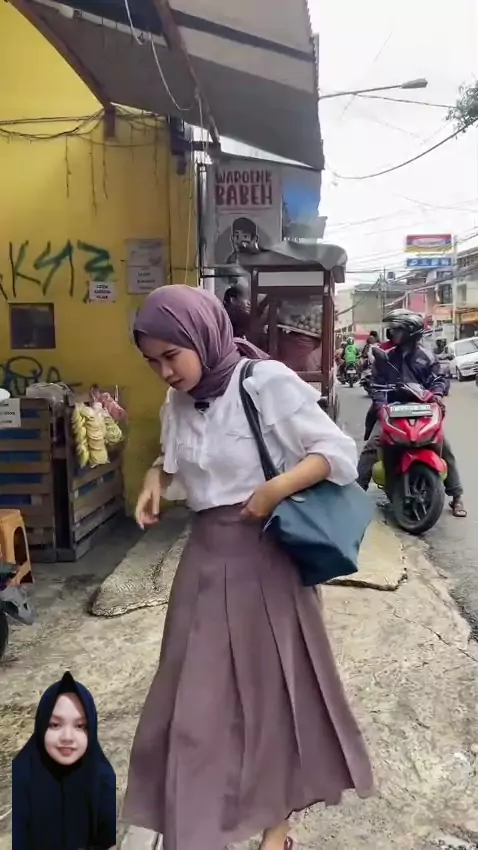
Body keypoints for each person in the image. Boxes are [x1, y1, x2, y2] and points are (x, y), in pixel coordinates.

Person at [121, 285, 374, 850]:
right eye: (152, 362)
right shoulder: (179, 402)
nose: (165, 372)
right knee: (192, 705)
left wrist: (275, 489)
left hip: (267, 559)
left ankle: (276, 830)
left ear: (202, 337)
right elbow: (175, 460)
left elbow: (336, 452)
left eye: (171, 356)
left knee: (273, 700)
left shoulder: (264, 383)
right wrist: (155, 479)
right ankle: (196, 823)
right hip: (204, 561)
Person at [357, 309, 466, 518]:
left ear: (410, 333)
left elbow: (439, 381)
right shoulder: (386, 356)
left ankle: (456, 495)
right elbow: (377, 385)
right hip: (391, 410)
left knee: (443, 446)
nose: (392, 333)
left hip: (422, 410)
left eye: (397, 329)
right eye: (392, 329)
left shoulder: (427, 358)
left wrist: (437, 395)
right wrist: (381, 406)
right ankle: (356, 492)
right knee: (372, 446)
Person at [12, 671, 117, 850]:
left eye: (80, 726)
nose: (67, 737)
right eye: (55, 725)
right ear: (41, 725)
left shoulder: (102, 776)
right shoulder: (22, 773)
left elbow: (108, 841)